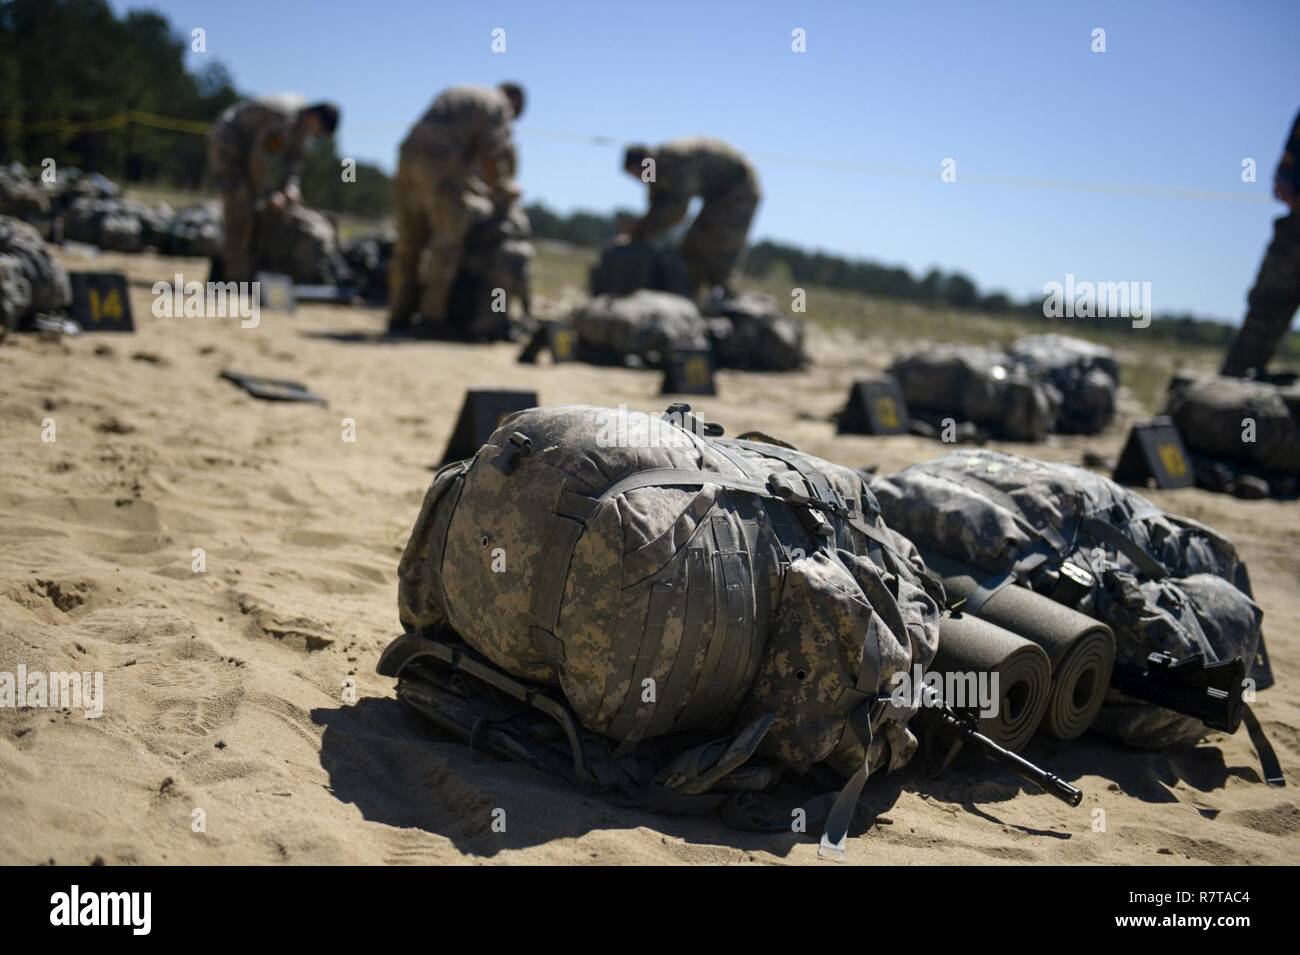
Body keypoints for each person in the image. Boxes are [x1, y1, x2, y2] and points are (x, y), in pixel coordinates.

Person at [388, 83, 525, 335]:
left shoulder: (466, 94)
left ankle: (399, 314)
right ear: (514, 102)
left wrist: (474, 186)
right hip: (441, 157)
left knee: (409, 242)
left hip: (409, 155)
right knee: (447, 242)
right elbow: (492, 151)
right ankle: (431, 318)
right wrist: (502, 187)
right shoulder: (498, 106)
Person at [208, 96, 340, 283]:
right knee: (240, 205)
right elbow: (261, 158)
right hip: (231, 141)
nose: (315, 137)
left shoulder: (301, 130)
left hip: (251, 148)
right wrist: (269, 194)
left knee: (261, 211)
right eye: (318, 132)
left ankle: (243, 272)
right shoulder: (283, 120)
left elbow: (294, 161)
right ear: (313, 118)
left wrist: (291, 187)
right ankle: (233, 280)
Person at [617, 137, 760, 298]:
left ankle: (728, 305)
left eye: (637, 175)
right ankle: (693, 301)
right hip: (717, 195)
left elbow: (677, 209)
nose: (639, 181)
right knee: (689, 256)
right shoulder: (655, 167)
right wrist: (637, 234)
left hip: (739, 191)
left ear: (643, 165)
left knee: (713, 252)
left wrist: (638, 233)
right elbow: (657, 205)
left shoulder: (676, 160)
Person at [1221, 109, 1300, 377]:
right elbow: (1286, 166)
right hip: (1295, 232)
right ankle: (1230, 394)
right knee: (1266, 306)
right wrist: (1285, 180)